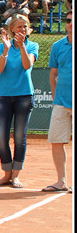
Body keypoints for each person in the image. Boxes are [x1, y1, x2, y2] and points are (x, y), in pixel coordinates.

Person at [0, 14, 38, 188]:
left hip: (24, 95)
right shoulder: (3, 46)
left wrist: (22, 46)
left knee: (19, 136)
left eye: (25, 26)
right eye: (19, 26)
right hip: (4, 95)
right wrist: (6, 49)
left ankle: (16, 175)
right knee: (0, 136)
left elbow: (27, 65)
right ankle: (6, 173)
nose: (22, 29)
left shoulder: (32, 46)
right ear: (12, 28)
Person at [43, 12, 72, 192]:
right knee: (56, 141)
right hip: (61, 102)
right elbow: (53, 73)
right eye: (68, 21)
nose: (70, 24)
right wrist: (55, 97)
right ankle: (61, 181)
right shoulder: (58, 46)